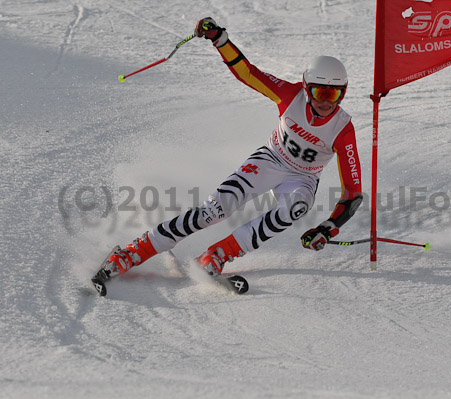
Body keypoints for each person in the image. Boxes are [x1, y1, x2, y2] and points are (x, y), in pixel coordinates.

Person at [93, 18, 363, 286]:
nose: (326, 102)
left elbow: (352, 194)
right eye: (319, 93)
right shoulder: (290, 94)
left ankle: (218, 254)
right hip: (271, 159)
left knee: (297, 208)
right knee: (216, 210)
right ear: (307, 88)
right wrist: (220, 39)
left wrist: (328, 229)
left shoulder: (343, 129)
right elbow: (248, 73)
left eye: (334, 95)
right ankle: (133, 251)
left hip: (303, 178)